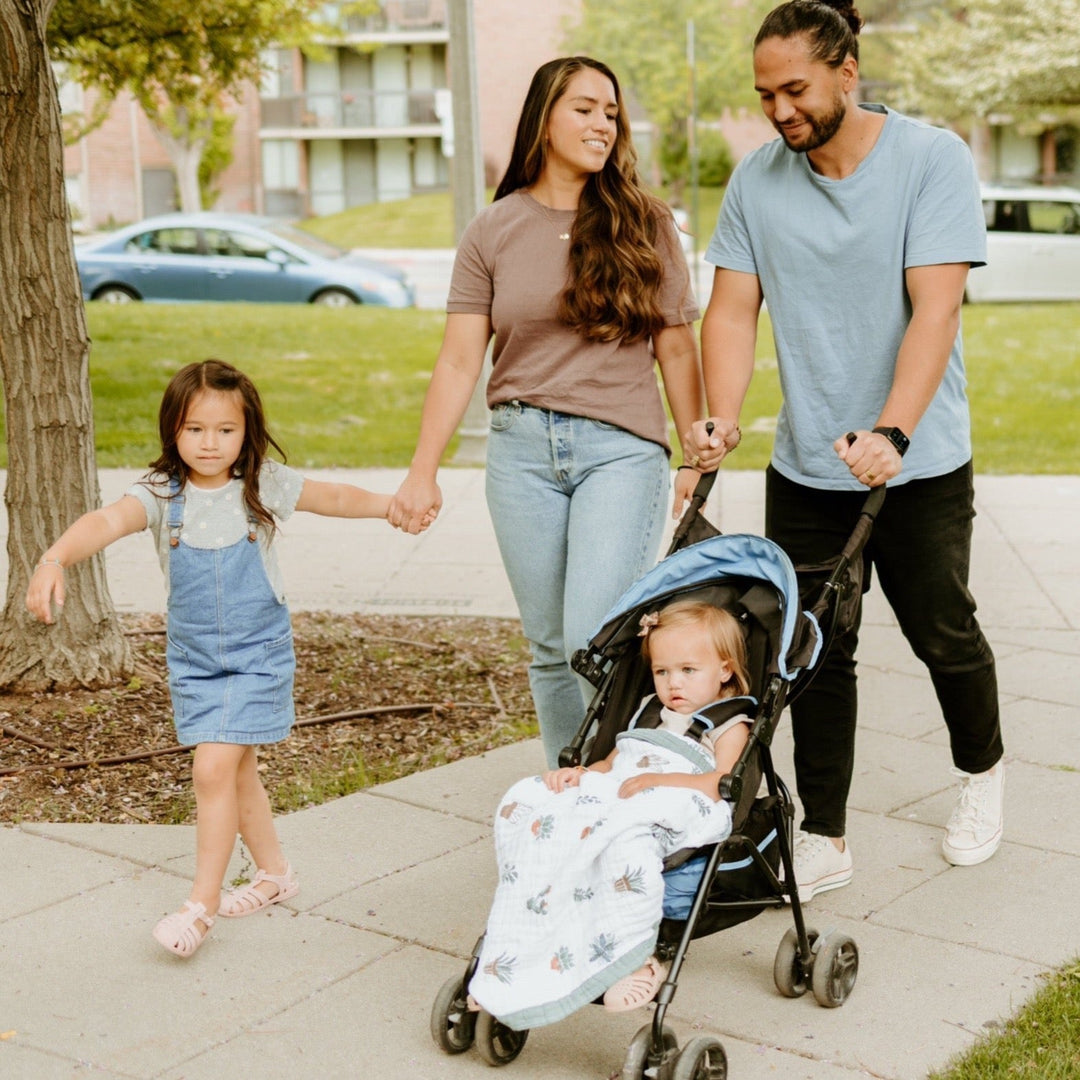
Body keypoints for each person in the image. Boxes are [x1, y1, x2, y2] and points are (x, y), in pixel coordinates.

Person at [686, 0, 1004, 902]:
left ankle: (981, 773)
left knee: (943, 630)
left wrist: (893, 431)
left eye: (795, 89)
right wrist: (719, 417)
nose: (779, 110)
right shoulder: (758, 181)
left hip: (919, 460)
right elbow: (732, 310)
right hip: (808, 465)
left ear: (847, 72)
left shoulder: (931, 159)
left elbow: (936, 307)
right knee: (816, 650)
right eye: (765, 95)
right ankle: (824, 833)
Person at [25, 359, 417, 957]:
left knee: (212, 769)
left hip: (258, 657)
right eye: (195, 429)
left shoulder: (262, 484)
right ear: (172, 429)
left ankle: (200, 907)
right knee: (237, 772)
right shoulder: (161, 494)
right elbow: (105, 520)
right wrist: (54, 558)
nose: (210, 443)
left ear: (247, 430)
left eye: (225, 430)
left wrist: (392, 505)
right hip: (195, 662)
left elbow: (334, 495)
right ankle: (275, 874)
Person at [387, 56, 705, 766]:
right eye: (584, 108)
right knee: (548, 644)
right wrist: (422, 471)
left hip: (620, 449)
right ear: (544, 119)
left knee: (592, 632)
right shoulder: (493, 229)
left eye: (610, 112)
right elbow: (459, 360)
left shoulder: (644, 221)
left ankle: (632, 775)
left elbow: (676, 345)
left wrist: (693, 454)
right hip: (520, 450)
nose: (602, 124)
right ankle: (575, 790)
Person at [467, 600, 752, 1030]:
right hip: (623, 788)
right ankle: (514, 959)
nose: (673, 683)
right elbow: (612, 763)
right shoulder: (649, 711)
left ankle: (636, 958)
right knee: (534, 807)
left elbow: (722, 783)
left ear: (725, 670)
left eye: (688, 670)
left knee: (623, 843)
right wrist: (580, 775)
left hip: (677, 800)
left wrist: (660, 782)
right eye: (662, 671)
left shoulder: (730, 723)